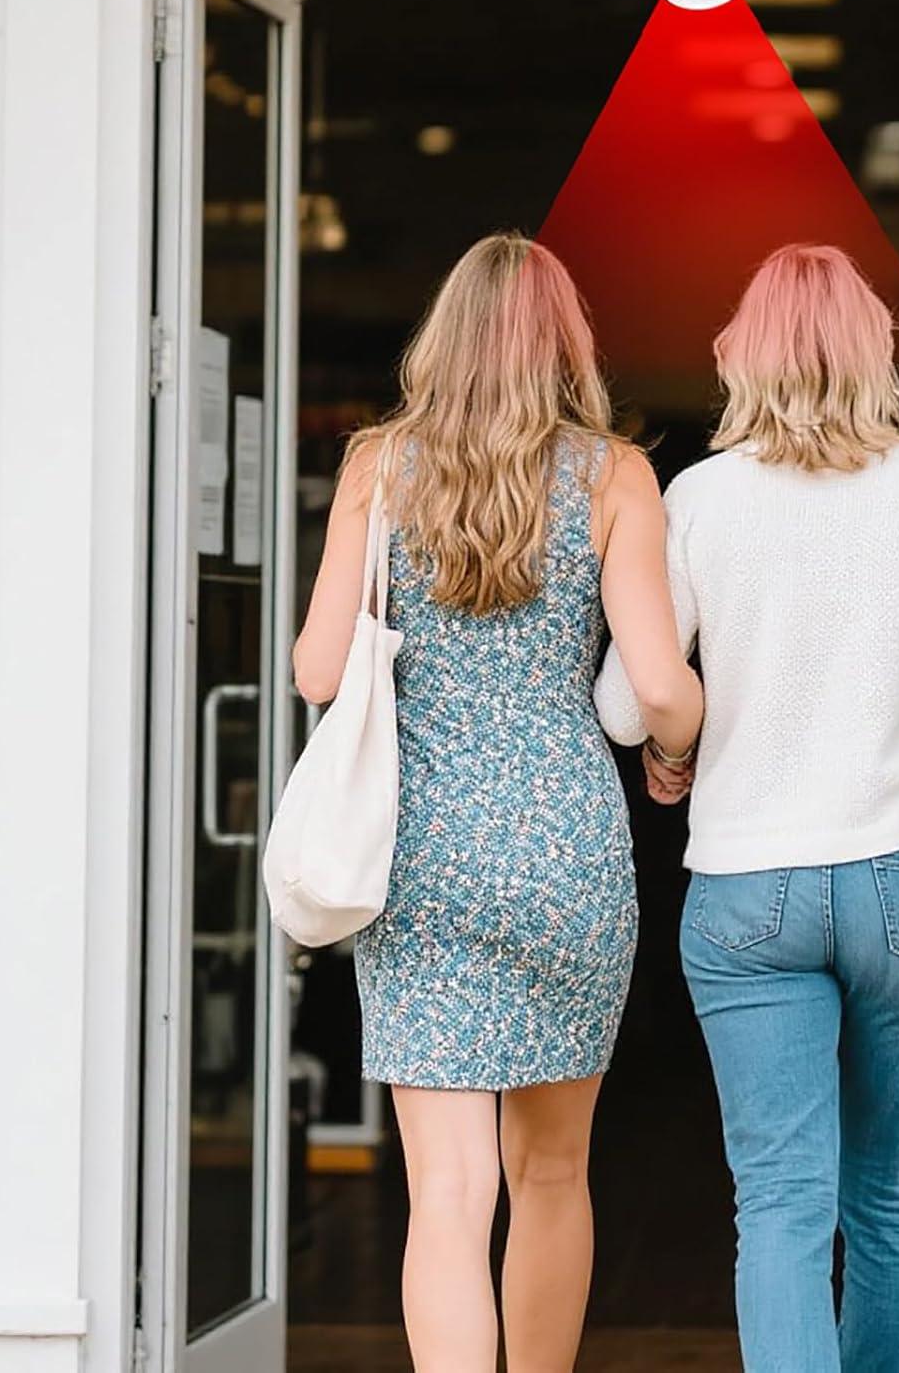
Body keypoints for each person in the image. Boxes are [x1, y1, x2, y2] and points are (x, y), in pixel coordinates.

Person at [594, 243, 899, 1373]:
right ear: (874, 354)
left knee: (781, 1207)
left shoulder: (699, 496)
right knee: (894, 1194)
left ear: (743, 354)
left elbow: (621, 701)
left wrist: (687, 738)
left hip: (748, 894)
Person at [293, 232, 703, 1373]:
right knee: (555, 1173)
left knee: (450, 1196)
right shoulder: (615, 473)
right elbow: (661, 684)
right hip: (568, 852)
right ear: (563, 344)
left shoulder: (380, 466)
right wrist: (679, 746)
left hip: (419, 855)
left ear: (444, 340)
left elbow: (319, 673)